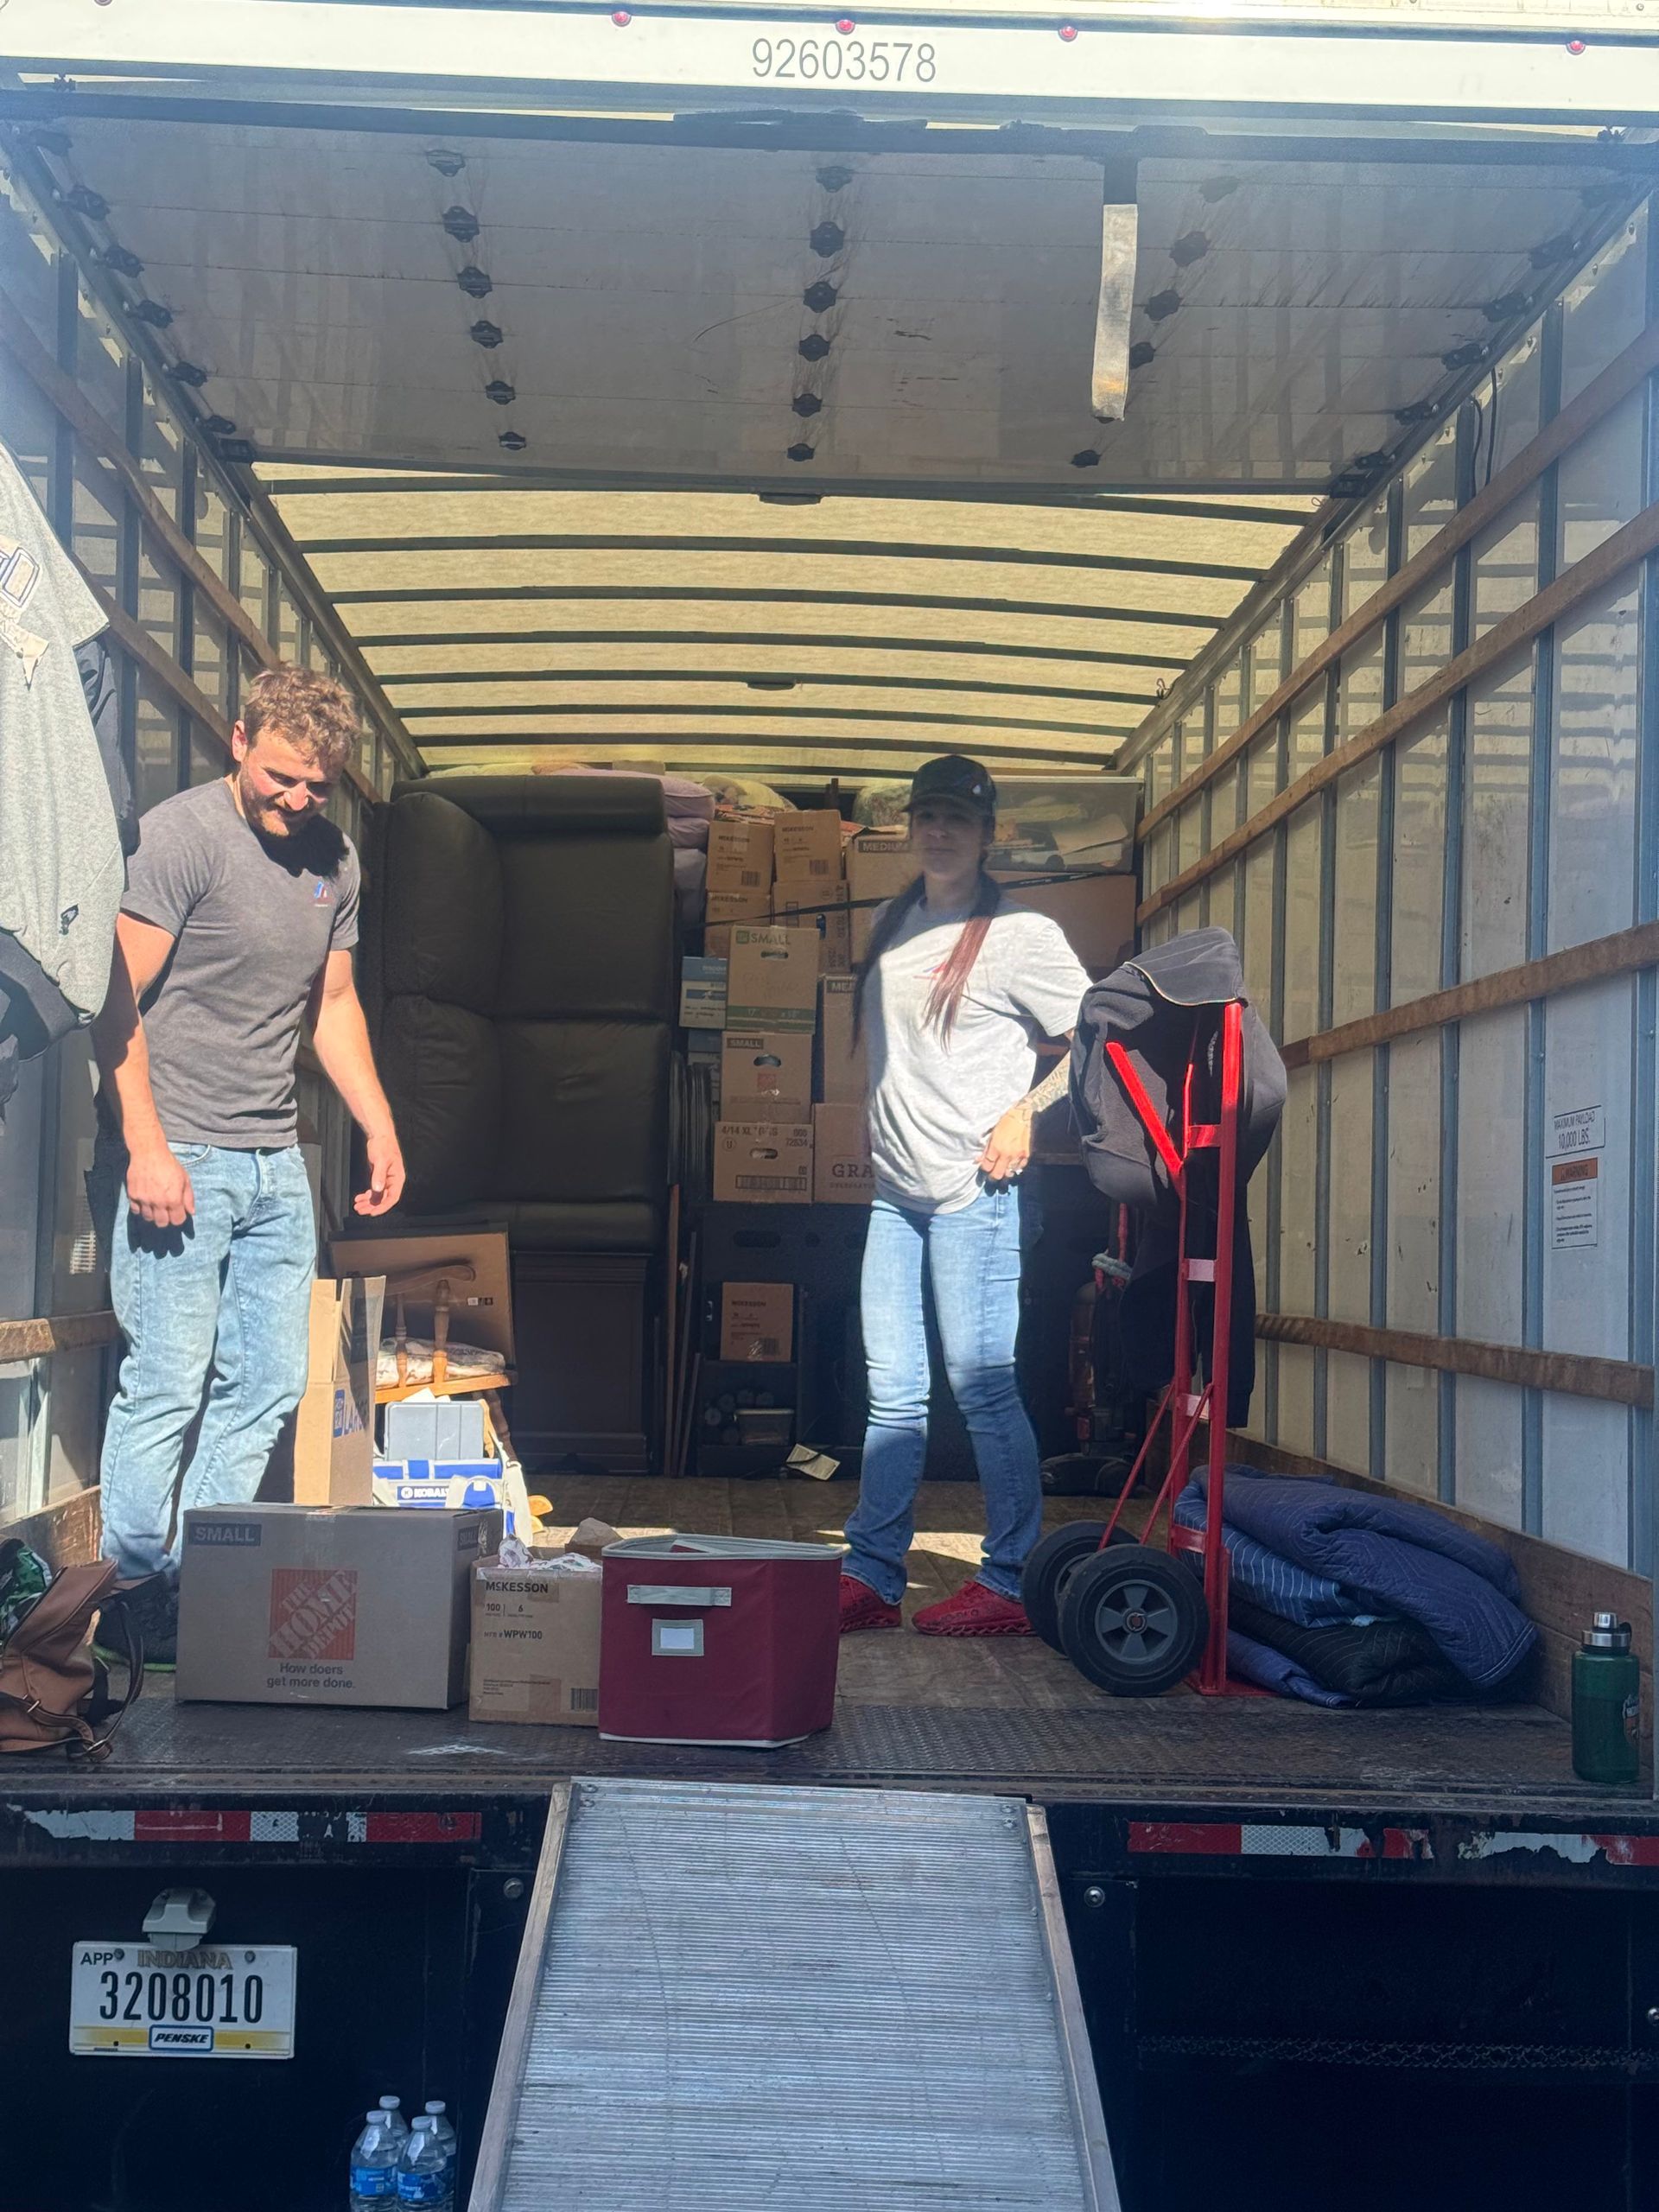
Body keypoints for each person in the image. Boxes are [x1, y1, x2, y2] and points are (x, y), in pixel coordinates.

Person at [91, 665, 405, 1655]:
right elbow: (112, 1002)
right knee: (169, 1380)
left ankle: (201, 1582)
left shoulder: (334, 861)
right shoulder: (183, 838)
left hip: (276, 1162)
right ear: (238, 741)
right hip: (178, 1149)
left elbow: (335, 1005)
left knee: (268, 1381)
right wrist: (145, 1146)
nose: (298, 799)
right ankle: (131, 1599)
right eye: (282, 776)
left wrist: (381, 1125)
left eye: (318, 784)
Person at [839, 755, 1090, 1637]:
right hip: (894, 1195)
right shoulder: (890, 920)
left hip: (974, 1193)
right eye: (927, 816)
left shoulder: (1023, 935)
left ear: (988, 835)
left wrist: (1027, 1112)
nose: (939, 830)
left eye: (957, 817)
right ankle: (872, 1572)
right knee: (892, 1392)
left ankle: (1013, 1580)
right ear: (911, 828)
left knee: (981, 1387)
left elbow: (1095, 1040)